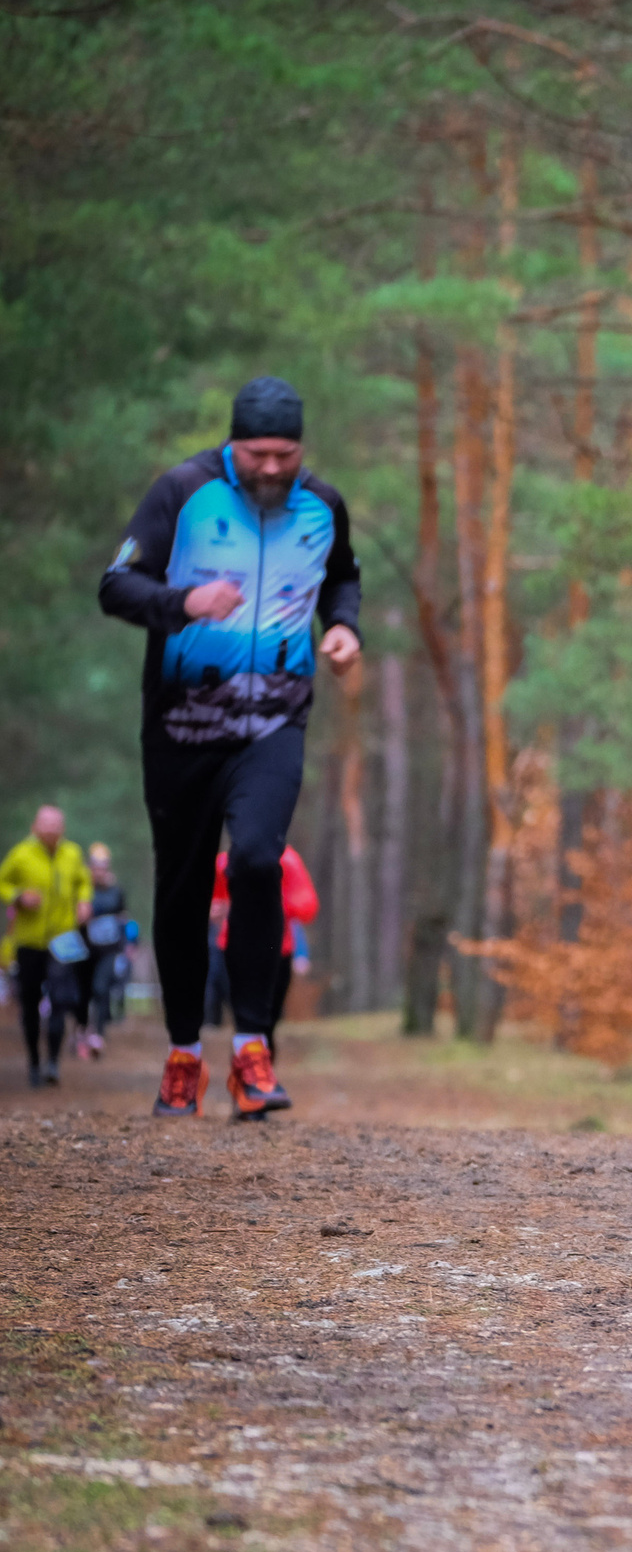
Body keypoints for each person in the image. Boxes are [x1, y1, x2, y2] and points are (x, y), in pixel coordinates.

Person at [99, 376, 361, 1120]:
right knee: (182, 886)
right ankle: (185, 1053)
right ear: (232, 443)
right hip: (182, 726)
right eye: (258, 454)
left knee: (255, 859)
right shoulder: (181, 492)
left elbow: (343, 578)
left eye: (285, 454)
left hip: (274, 722)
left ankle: (252, 1050)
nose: (273, 468)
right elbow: (116, 586)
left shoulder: (323, 504)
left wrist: (344, 629)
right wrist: (183, 603)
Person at [1, 807, 93, 1087]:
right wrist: (17, 896)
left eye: (57, 825)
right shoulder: (20, 854)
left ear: (63, 828)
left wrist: (84, 902)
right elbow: (2, 883)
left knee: (61, 999)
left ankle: (53, 1060)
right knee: (29, 1002)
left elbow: (83, 882)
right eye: (47, 824)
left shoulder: (73, 853)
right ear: (35, 826)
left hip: (63, 939)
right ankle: (34, 1062)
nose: (52, 829)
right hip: (29, 941)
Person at [207, 844, 318, 1036]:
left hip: (276, 951)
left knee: (266, 1022)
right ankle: (244, 1050)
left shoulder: (288, 860)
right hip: (232, 949)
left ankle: (258, 1054)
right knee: (245, 1017)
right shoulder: (224, 863)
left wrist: (266, 905)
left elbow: (307, 907)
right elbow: (206, 901)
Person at [77, 843, 129, 1058]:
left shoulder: (116, 891)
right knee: (83, 992)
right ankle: (81, 1031)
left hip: (108, 949)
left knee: (101, 987)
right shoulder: (82, 889)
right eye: (96, 866)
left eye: (103, 866)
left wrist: (127, 943)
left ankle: (98, 1034)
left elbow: (125, 917)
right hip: (84, 949)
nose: (99, 870)